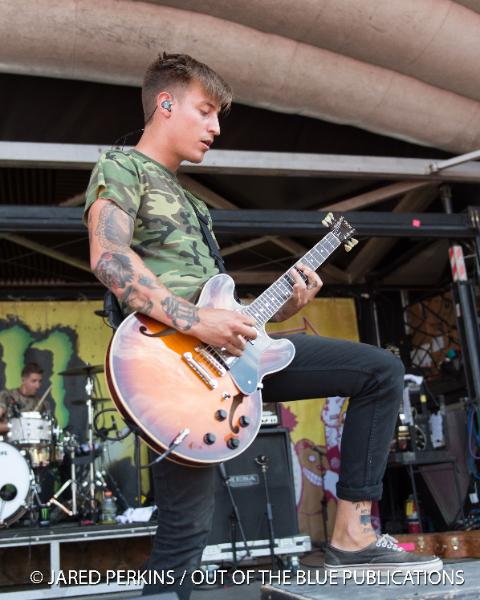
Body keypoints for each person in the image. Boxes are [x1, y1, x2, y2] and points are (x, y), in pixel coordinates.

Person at [85, 53, 441, 598]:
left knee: (380, 371)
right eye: (205, 111)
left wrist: (278, 311)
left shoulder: (195, 204)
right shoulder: (122, 167)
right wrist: (196, 321)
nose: (216, 127)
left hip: (233, 357)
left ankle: (351, 534)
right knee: (186, 533)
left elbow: (217, 302)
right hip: (172, 366)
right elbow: (109, 258)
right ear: (165, 104)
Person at [0, 362, 44, 436]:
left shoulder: (41, 403)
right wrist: (16, 425)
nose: (38, 386)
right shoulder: (6, 396)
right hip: (8, 441)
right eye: (34, 381)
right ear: (23, 380)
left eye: (40, 381)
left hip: (32, 441)